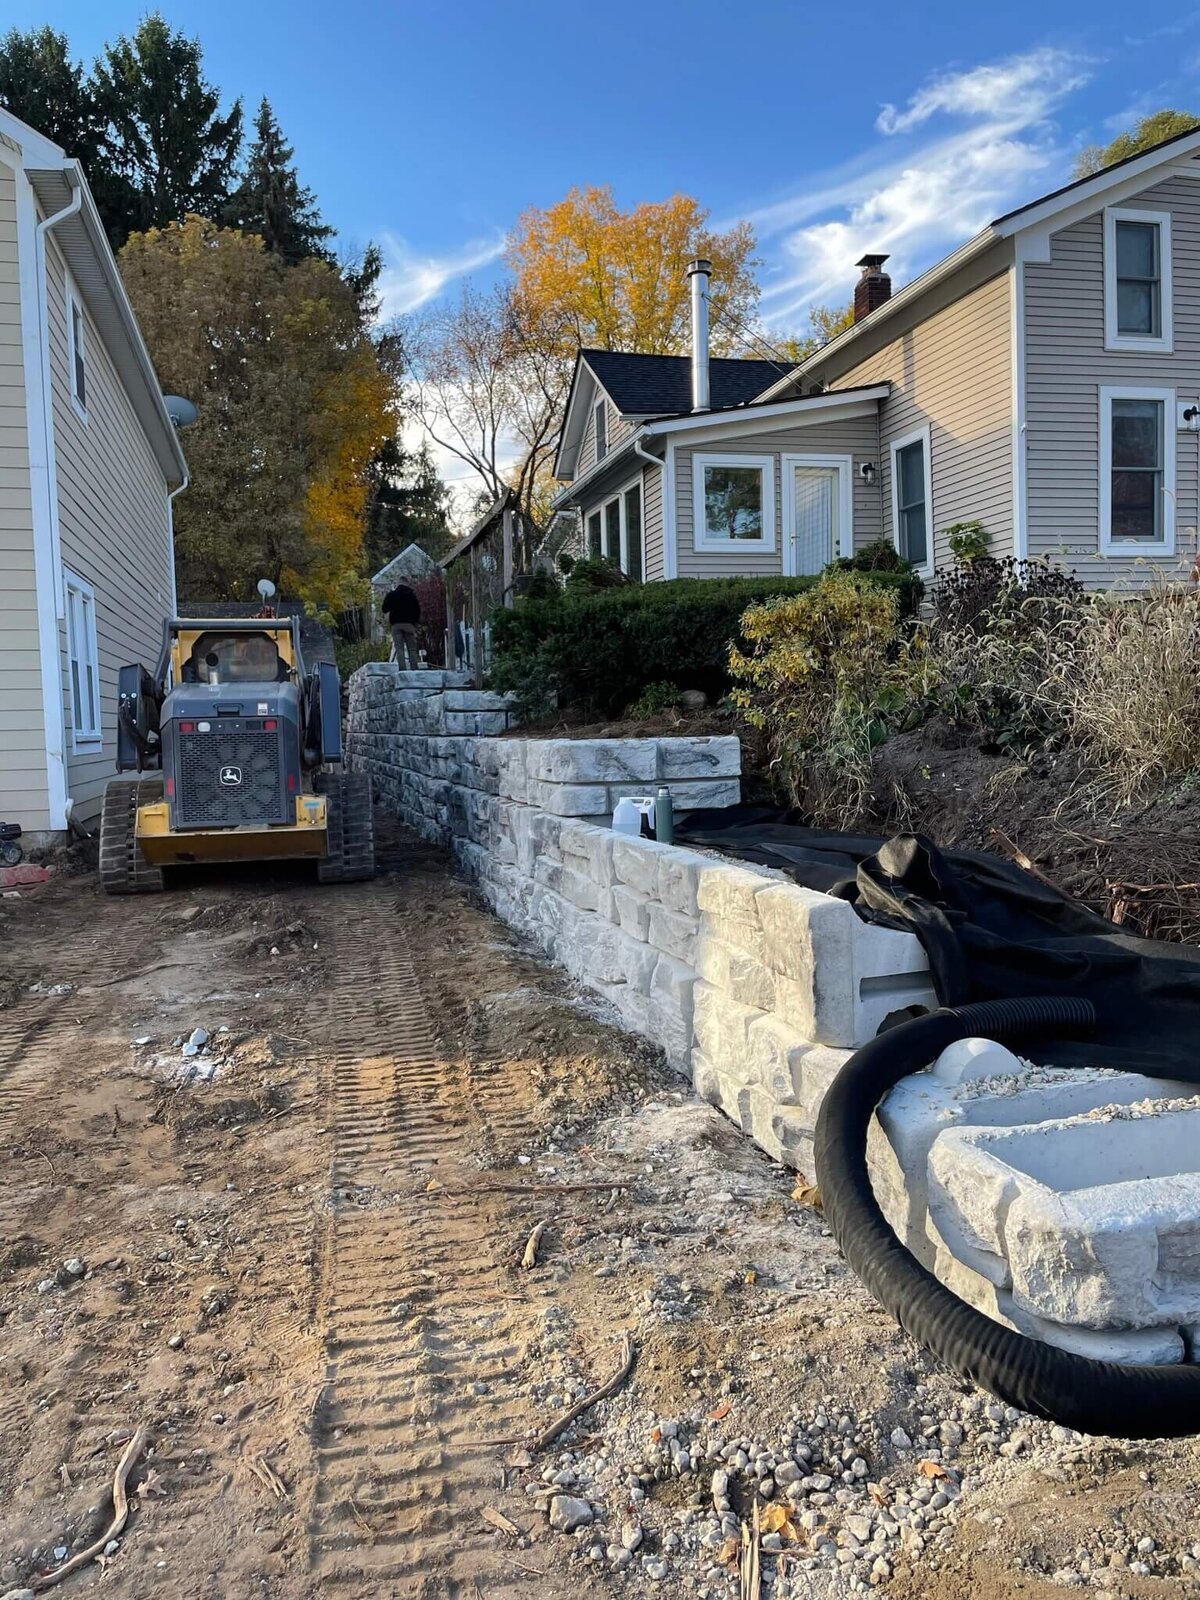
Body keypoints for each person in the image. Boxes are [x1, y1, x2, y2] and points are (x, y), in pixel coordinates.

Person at [381, 582, 422, 669]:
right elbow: (418, 611)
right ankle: (414, 670)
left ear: (398, 584)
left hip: (396, 625)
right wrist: (414, 622)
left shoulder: (392, 595)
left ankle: (402, 670)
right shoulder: (411, 595)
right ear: (407, 584)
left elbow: (384, 609)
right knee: (411, 649)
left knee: (400, 649)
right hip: (409, 625)